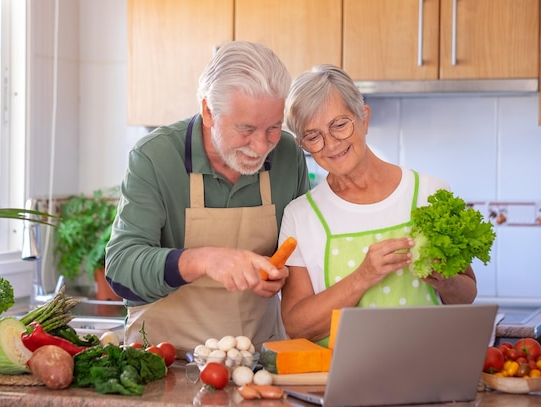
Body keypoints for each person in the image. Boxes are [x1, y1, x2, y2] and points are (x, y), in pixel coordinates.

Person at [105, 41, 311, 356]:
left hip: (258, 360)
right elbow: (121, 269)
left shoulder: (288, 155)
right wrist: (204, 259)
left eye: (273, 128)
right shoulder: (155, 157)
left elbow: (301, 263)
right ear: (208, 112)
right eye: (246, 129)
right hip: (165, 363)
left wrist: (279, 277)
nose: (260, 146)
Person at [278, 64, 477, 348]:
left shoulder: (431, 192)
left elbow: (467, 294)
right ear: (303, 144)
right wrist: (363, 276)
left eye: (339, 124)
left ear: (364, 119)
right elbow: (297, 326)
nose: (331, 143)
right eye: (313, 135)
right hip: (337, 384)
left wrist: (444, 281)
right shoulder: (300, 216)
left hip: (426, 375)